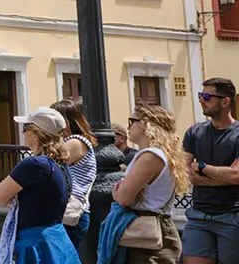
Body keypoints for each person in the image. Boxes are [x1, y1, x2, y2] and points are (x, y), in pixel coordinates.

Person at [102, 106, 190, 264]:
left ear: (145, 125)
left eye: (132, 121)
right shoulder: (162, 154)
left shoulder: (150, 156)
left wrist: (118, 189)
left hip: (147, 233)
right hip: (153, 229)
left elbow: (123, 198)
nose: (128, 126)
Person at [0, 107, 79, 264]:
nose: (23, 133)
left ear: (37, 134)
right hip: (56, 241)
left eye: (26, 128)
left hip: (33, 245)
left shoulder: (34, 164)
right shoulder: (60, 164)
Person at [183, 77, 239, 264]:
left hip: (232, 217)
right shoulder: (194, 132)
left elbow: (235, 175)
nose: (201, 100)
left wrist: (202, 167)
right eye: (200, 95)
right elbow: (184, 172)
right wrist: (224, 177)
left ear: (225, 102)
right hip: (198, 216)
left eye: (207, 96)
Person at [52, 99, 96, 247]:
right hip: (68, 212)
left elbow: (47, 162)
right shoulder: (73, 141)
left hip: (72, 213)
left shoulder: (76, 142)